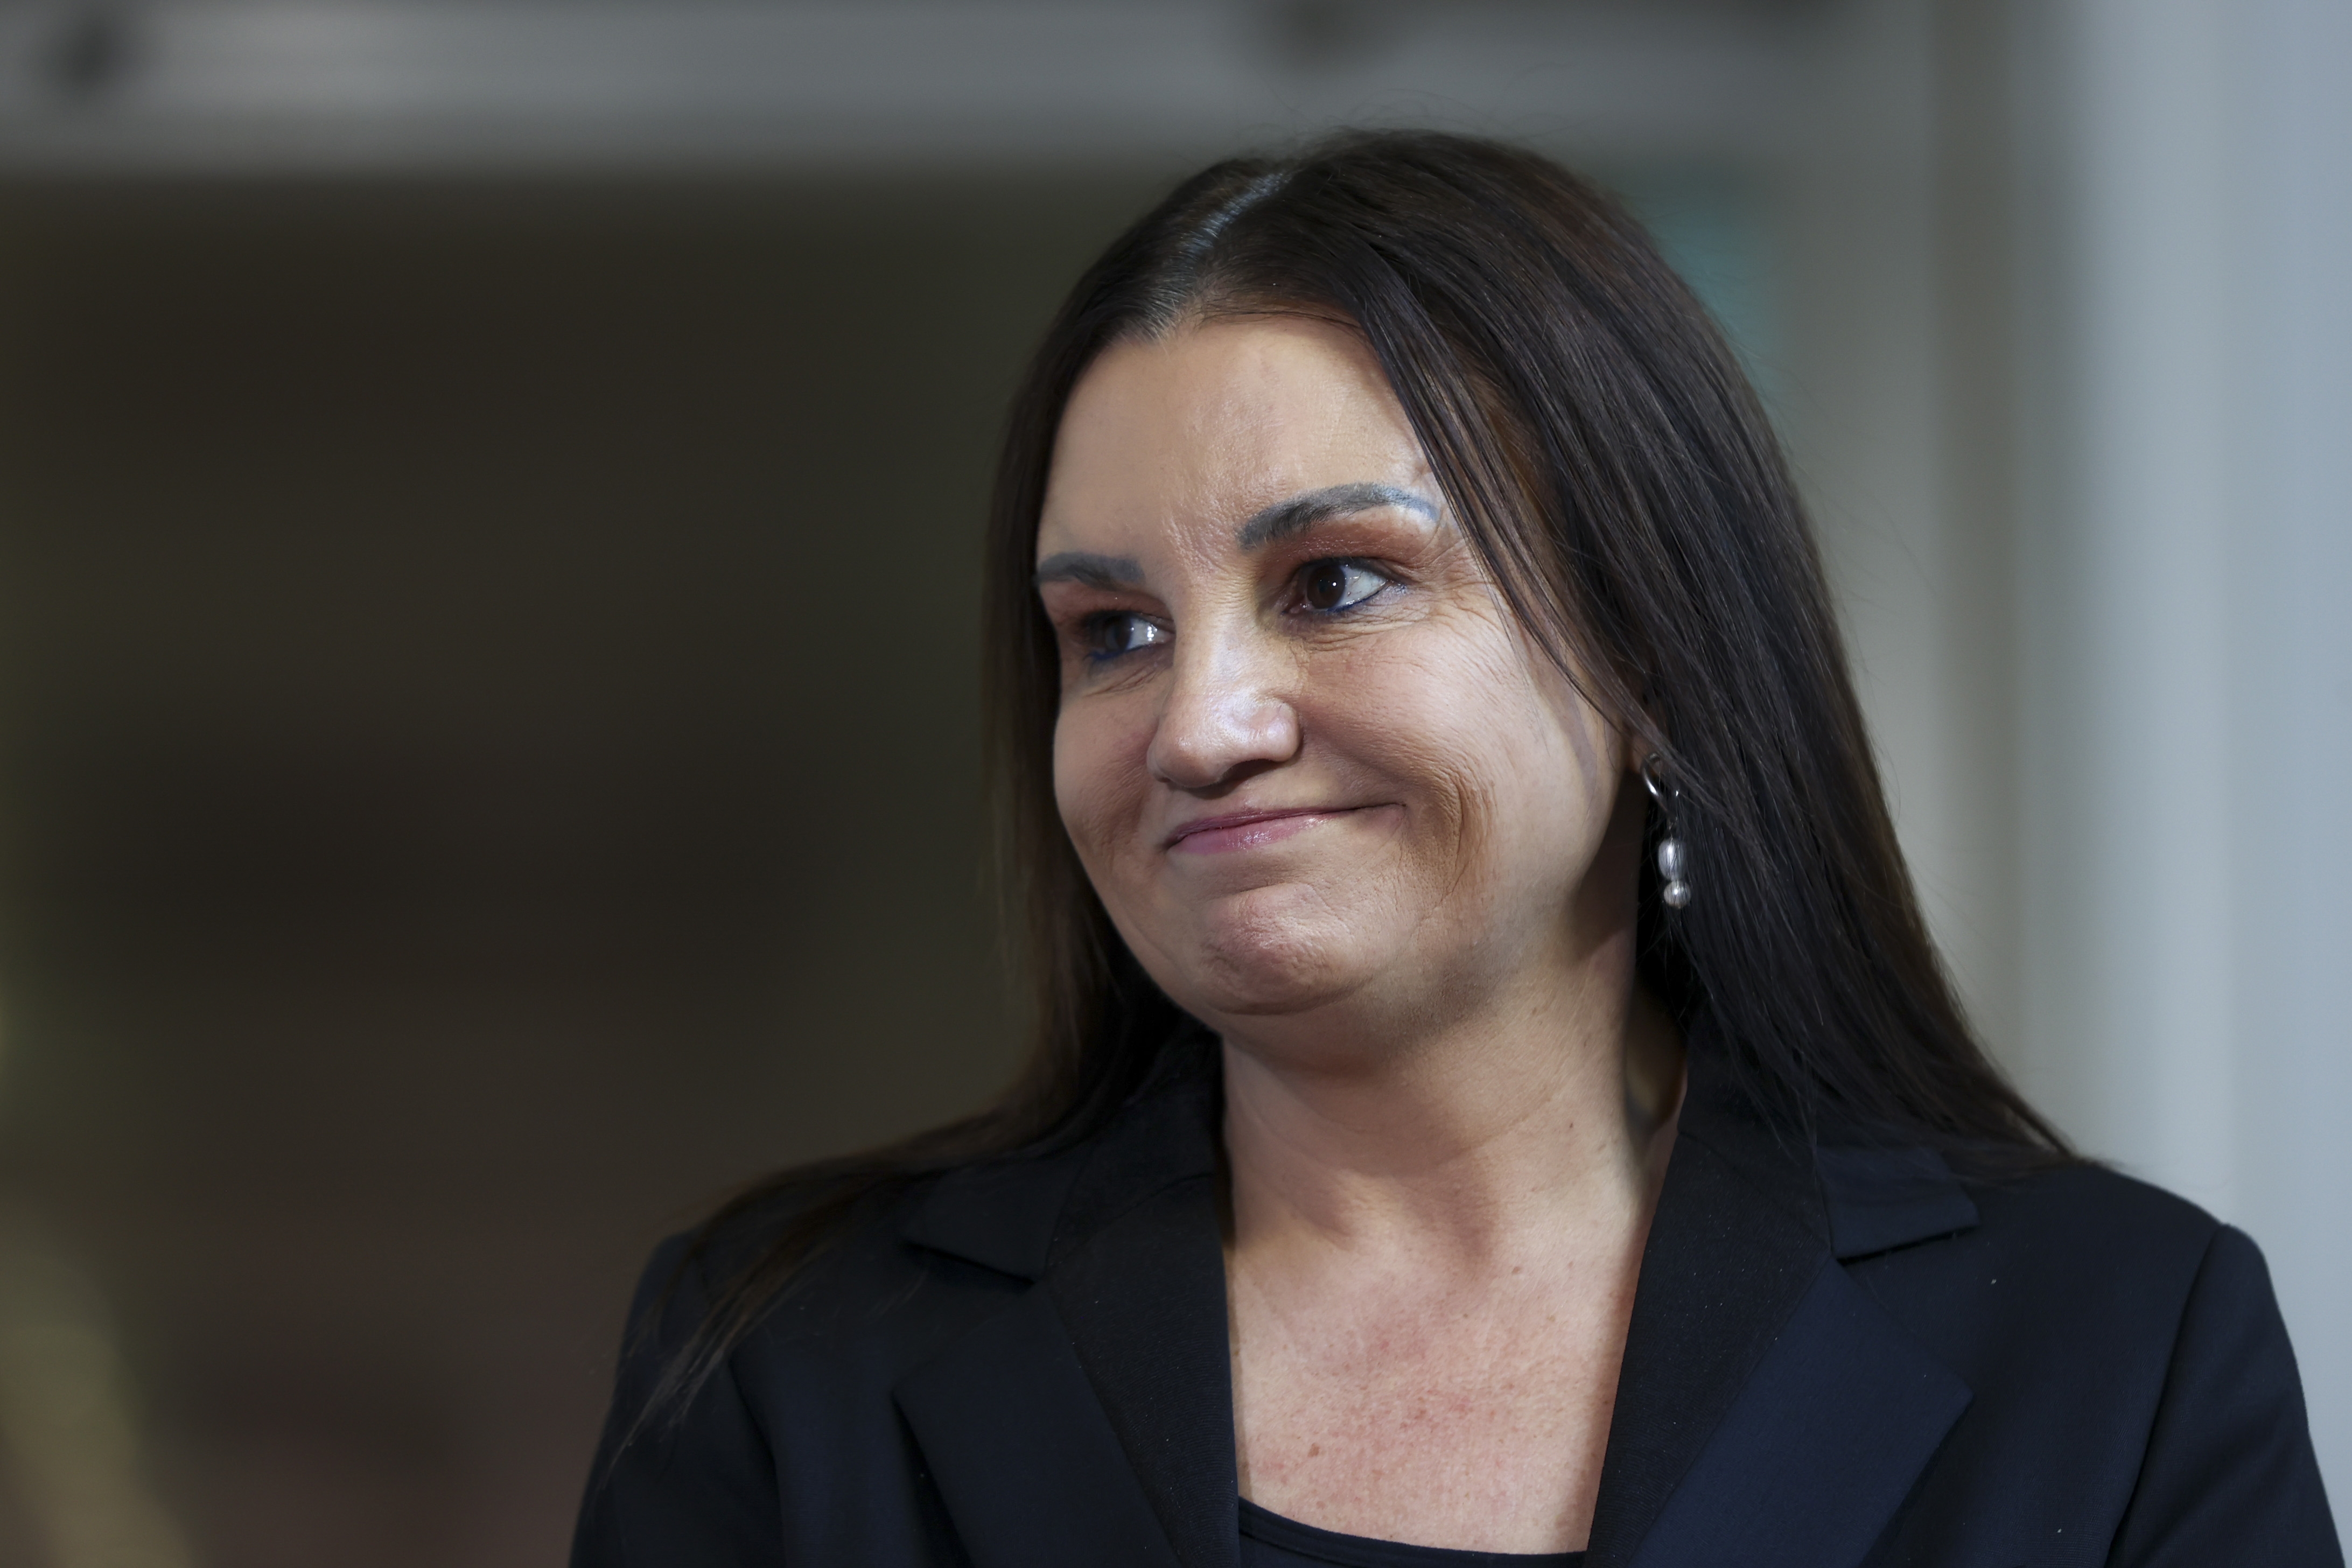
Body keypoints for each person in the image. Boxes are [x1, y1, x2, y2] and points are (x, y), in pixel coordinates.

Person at [570, 131, 2340, 1568]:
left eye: (1336, 581)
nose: (1200, 724)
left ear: (1653, 655)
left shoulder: (2118, 1351)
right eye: (1113, 630)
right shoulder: (787, 1358)